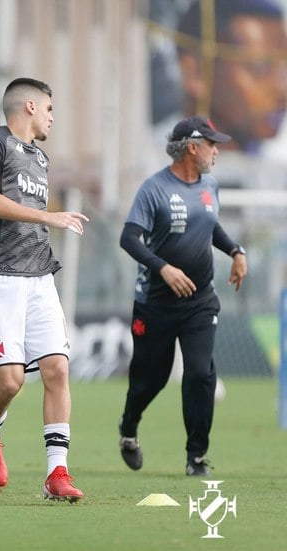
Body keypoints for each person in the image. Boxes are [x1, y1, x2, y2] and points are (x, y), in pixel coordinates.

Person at [0, 77, 88, 502]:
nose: (53, 117)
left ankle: (57, 474)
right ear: (31, 106)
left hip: (39, 278)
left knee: (57, 369)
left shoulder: (41, 158)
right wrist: (50, 218)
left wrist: (46, 221)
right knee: (12, 380)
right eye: (51, 109)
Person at [118, 116, 247, 477]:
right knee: (151, 379)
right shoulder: (154, 189)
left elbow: (211, 226)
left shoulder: (211, 187)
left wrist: (236, 251)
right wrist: (164, 268)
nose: (216, 151)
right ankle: (128, 427)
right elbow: (128, 238)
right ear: (193, 147)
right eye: (212, 144)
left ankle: (196, 457)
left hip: (200, 301)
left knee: (200, 373)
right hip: (155, 304)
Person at [164, 0, 287, 155]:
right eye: (260, 68)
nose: (283, 91)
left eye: (284, 71)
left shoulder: (273, 167)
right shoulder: (148, 164)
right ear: (196, 72)